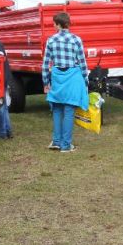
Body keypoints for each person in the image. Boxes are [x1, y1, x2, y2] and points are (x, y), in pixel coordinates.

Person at [42, 12, 89, 153]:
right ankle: (66, 145)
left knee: (57, 109)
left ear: (58, 24)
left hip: (57, 76)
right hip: (73, 76)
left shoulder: (51, 40)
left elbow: (45, 64)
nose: (53, 25)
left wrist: (46, 82)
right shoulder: (76, 40)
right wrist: (86, 81)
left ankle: (56, 142)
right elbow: (82, 63)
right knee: (69, 110)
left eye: (54, 23)